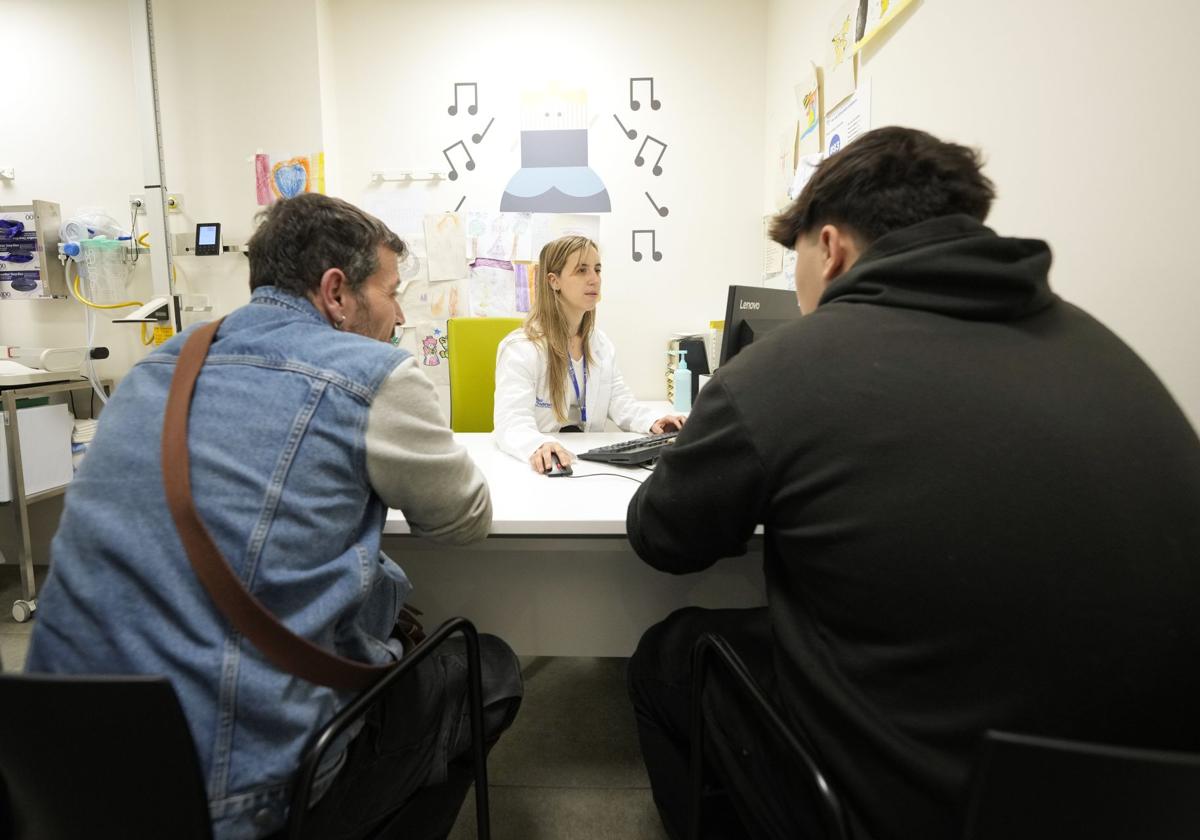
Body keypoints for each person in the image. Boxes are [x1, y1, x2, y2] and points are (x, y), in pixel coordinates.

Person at [624, 127, 1200, 840]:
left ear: (828, 247)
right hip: (1147, 804)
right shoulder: (1105, 350)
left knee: (668, 657)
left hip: (915, 811)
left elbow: (664, 535)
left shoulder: (785, 370)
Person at [25, 193, 523, 840]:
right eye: (393, 291)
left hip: (57, 782)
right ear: (336, 292)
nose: (400, 315)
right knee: (489, 669)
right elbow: (463, 518)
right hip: (236, 802)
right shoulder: (374, 374)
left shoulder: (156, 367)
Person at [493, 235, 685, 473]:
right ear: (554, 281)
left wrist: (653, 421)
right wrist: (538, 444)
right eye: (581, 270)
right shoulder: (522, 349)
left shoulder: (600, 345)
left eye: (597, 269)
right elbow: (510, 421)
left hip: (583, 462)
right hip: (539, 467)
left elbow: (619, 401)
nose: (594, 279)